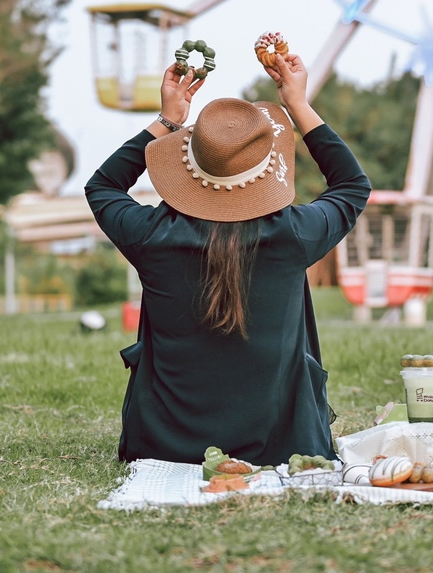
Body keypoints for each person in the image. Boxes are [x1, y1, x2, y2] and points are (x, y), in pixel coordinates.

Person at [85, 52, 371, 466]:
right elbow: (352, 186)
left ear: (187, 165)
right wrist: (298, 105)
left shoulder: (152, 236)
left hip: (162, 447)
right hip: (281, 443)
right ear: (267, 167)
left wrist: (166, 120)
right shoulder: (293, 235)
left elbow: (102, 187)